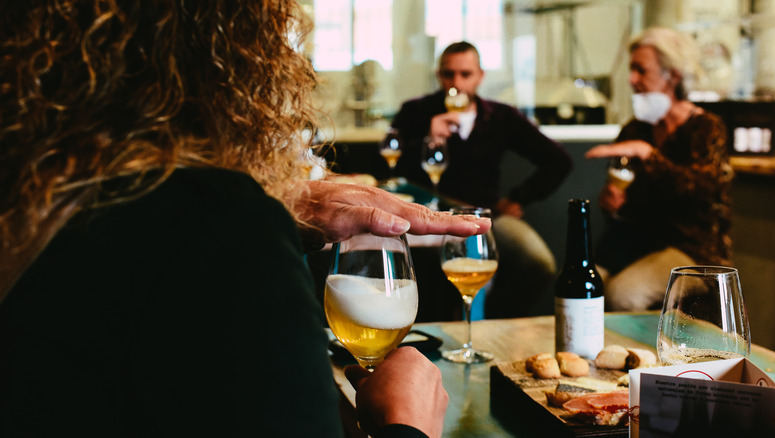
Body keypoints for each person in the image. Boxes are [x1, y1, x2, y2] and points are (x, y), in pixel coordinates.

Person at [0, 2, 494, 436]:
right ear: (233, 48)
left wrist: (277, 208)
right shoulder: (223, 230)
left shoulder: (38, 201)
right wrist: (408, 423)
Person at [390, 41, 573, 318]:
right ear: (439, 75)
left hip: (486, 216)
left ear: (480, 76)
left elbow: (559, 161)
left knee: (539, 263)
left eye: (466, 74)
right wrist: (428, 140)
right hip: (427, 216)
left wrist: (520, 197)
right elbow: (390, 169)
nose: (457, 84)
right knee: (431, 275)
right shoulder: (416, 111)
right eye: (449, 74)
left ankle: (492, 323)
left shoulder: (500, 117)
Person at [585, 27, 733, 311]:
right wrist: (613, 202)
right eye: (631, 70)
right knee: (583, 285)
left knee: (624, 294)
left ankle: (642, 356)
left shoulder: (705, 127)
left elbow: (702, 190)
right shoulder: (635, 128)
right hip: (639, 241)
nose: (631, 80)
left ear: (672, 75)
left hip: (693, 249)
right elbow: (630, 203)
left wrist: (648, 155)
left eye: (641, 70)